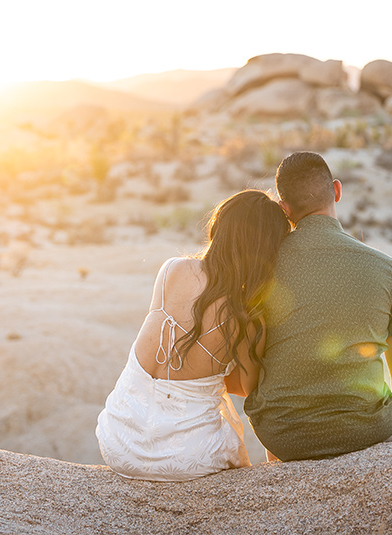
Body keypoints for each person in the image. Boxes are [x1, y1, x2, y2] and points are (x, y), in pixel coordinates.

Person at [96, 190, 291, 481]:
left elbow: (169, 350)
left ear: (219, 228)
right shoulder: (247, 316)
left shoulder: (173, 270)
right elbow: (250, 393)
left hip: (118, 439)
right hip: (186, 457)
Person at [244, 151, 392, 461]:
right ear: (337, 191)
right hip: (366, 428)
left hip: (282, 436)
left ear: (283, 209)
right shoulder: (386, 268)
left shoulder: (260, 271)